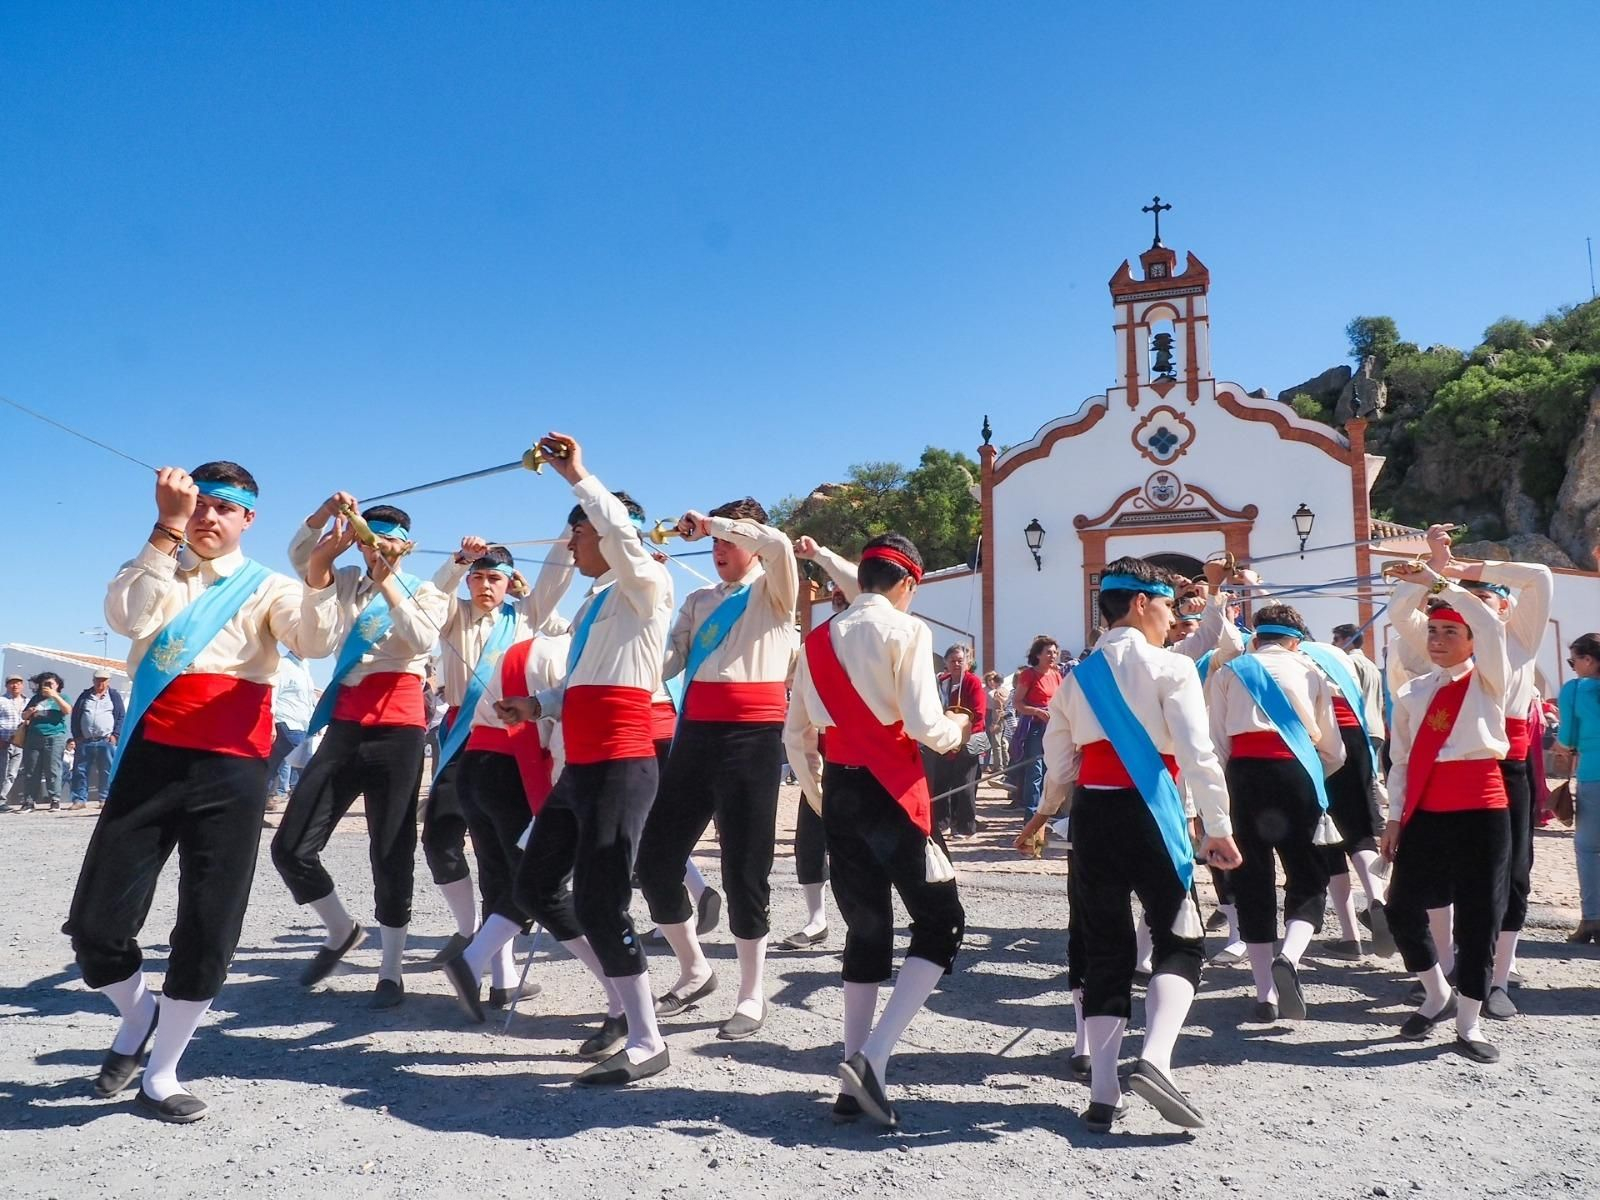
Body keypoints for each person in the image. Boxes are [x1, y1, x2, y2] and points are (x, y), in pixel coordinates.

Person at [68, 462, 340, 1122]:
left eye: (225, 507)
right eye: (199, 505)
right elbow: (127, 616)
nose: (209, 517)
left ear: (250, 518)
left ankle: (162, 1072)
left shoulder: (271, 586)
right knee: (97, 926)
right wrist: (163, 529)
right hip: (151, 761)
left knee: (209, 922)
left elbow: (316, 637)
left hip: (233, 772)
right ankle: (140, 1015)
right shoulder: (157, 567)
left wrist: (323, 571)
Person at [456, 432, 675, 1086]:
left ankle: (646, 1037)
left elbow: (619, 531)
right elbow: (583, 678)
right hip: (582, 763)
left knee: (605, 902)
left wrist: (578, 476)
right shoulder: (599, 600)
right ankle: (621, 1009)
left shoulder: (645, 580)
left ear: (607, 536)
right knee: (535, 884)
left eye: (575, 536)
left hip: (621, 760)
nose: (569, 547)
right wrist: (539, 705)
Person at [1015, 555, 1241, 1133]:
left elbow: (1059, 765)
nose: (1170, 617)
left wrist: (1041, 817)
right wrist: (1218, 827)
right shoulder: (1171, 669)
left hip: (1092, 816)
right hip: (1152, 812)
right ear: (1141, 602)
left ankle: (1104, 1094)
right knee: (1180, 937)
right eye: (1167, 605)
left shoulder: (1073, 677)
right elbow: (1197, 754)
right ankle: (1158, 1058)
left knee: (1105, 950)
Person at [785, 532, 971, 1128]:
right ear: (908, 584)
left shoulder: (812, 640)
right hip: (894, 792)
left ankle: (852, 1076)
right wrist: (959, 730)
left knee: (866, 929)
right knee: (941, 923)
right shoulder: (907, 630)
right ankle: (873, 1057)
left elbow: (797, 737)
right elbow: (922, 722)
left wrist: (821, 799)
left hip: (839, 791)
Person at [269, 496, 451, 1009]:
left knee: (391, 849)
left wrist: (387, 575)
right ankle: (342, 929)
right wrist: (324, 519)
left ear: (407, 546)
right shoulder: (345, 581)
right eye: (370, 535)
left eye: (388, 537)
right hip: (346, 725)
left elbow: (419, 636)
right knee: (291, 846)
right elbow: (302, 558)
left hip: (400, 731)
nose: (377, 545)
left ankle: (390, 969)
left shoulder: (428, 593)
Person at [637, 498, 798, 1041]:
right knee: (656, 857)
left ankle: (752, 992)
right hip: (695, 736)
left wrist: (719, 523)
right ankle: (694, 967)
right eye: (714, 542)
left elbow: (776, 546)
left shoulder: (776, 590)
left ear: (752, 539)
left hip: (752, 740)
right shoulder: (699, 600)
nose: (719, 549)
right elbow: (668, 660)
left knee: (744, 866)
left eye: (730, 540)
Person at [1390, 528, 1553, 1019]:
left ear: (1504, 607)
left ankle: (1495, 981)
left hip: (1507, 766)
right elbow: (1406, 615)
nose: (1473, 606)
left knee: (1510, 878)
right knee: (1431, 881)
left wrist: (1459, 573)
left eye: (1487, 599)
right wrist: (1432, 576)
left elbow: (1540, 577)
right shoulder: (1437, 655)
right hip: (1444, 768)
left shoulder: (1516, 642)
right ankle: (1443, 971)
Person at [1381, 565, 1512, 1063]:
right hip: (1428, 810)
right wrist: (1394, 819)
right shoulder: (1413, 692)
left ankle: (1469, 1022)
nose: (1437, 640)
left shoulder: (1488, 678)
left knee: (1480, 916)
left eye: (1450, 632)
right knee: (1401, 906)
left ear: (1471, 637)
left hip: (1481, 809)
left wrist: (1444, 578)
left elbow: (1492, 625)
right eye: (1433, 631)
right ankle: (1436, 992)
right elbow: (1401, 762)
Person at [424, 535, 574, 960]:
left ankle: (498, 946)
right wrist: (457, 561)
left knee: (507, 847)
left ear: (510, 582)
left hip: (511, 737)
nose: (485, 586)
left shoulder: (526, 616)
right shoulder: (452, 614)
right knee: (439, 838)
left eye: (495, 578)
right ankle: (468, 929)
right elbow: (431, 597)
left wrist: (570, 533)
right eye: (477, 578)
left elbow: (555, 579)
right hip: (457, 734)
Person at [1206, 604, 1344, 1023]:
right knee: (1307, 874)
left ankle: (1265, 993)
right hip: (1295, 772)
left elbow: (1216, 745)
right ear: (1294, 640)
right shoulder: (1310, 670)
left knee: (1250, 879)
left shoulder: (1229, 672)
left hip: (1243, 779)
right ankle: (1291, 955)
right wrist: (1314, 777)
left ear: (1257, 637)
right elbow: (1334, 749)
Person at [775, 538, 858, 951]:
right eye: (834, 590)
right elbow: (802, 706)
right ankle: (816, 920)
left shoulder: (880, 630)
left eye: (846, 588)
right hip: (825, 749)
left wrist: (824, 555)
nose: (839, 594)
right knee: (810, 835)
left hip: (872, 750)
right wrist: (809, 767)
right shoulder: (817, 640)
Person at [1555, 632, 1600, 943]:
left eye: (1574, 661)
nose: (1573, 667)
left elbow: (1567, 739)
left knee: (1588, 848)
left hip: (1594, 774)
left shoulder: (1576, 690)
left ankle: (1592, 920)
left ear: (1588, 660)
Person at [926, 644, 988, 837]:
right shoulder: (941, 682)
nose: (956, 664)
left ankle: (965, 826)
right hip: (944, 741)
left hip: (967, 741)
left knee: (965, 784)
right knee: (941, 783)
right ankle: (942, 822)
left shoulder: (972, 682)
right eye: (952, 661)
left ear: (967, 663)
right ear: (945, 662)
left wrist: (960, 730)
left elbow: (978, 713)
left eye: (960, 661)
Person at [1011, 636, 1064, 814]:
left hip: (1054, 727)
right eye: (1048, 652)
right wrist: (1036, 712)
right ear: (1038, 654)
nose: (1053, 656)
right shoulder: (1029, 675)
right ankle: (1031, 815)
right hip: (1034, 728)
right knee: (1035, 771)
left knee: (1052, 772)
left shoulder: (1056, 675)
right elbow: (1017, 702)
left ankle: (1046, 814)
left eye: (1055, 652)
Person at [12, 673, 72, 811]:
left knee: (53, 769)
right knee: (31, 770)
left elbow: (67, 710)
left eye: (51, 684)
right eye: (45, 684)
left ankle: (55, 799)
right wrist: (29, 712)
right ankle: (29, 801)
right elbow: (24, 715)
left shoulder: (63, 697)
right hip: (33, 737)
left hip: (54, 736)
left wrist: (54, 695)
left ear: (57, 685)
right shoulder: (36, 698)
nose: (47, 686)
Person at [265, 650, 315, 813]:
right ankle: (308, 806)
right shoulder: (283, 665)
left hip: (301, 724)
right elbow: (273, 693)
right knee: (307, 765)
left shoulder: (304, 667)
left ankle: (259, 802)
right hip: (286, 722)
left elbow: (307, 700)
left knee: (271, 765)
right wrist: (271, 720)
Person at [69, 670, 124, 811]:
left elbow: (120, 717)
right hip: (85, 740)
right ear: (93, 680)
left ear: (108, 681)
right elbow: (75, 716)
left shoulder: (114, 696)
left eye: (104, 680)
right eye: (98, 679)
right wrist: (77, 736)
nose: (101, 682)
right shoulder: (85, 696)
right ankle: (79, 800)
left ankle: (105, 799)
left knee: (107, 771)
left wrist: (115, 735)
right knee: (80, 771)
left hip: (105, 741)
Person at [0, 673, 32, 807]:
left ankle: (2, 799)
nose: (15, 685)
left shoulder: (28, 701)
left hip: (21, 742)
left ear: (22, 685)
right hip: (4, 740)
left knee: (12, 773)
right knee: (2, 771)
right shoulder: (1, 701)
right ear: (6, 685)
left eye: (18, 683)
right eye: (12, 683)